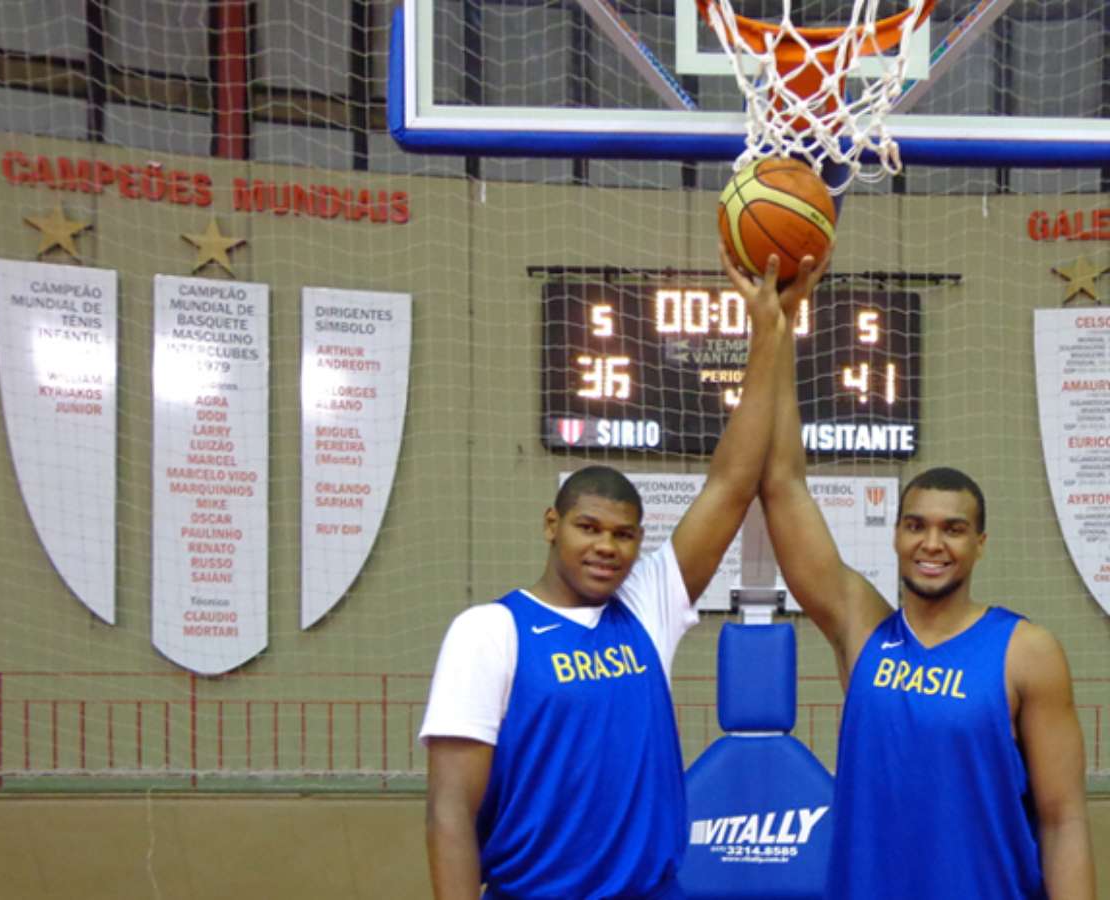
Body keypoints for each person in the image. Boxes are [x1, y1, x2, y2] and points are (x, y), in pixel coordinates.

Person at [419, 250, 829, 900]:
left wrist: (770, 330)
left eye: (624, 535)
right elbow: (448, 811)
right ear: (552, 524)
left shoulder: (645, 609)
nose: (606, 547)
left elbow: (731, 482)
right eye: (589, 528)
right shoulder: (491, 632)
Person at [732, 245, 1097, 898]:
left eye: (953, 529)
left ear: (979, 543)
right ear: (897, 536)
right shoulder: (862, 630)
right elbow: (782, 485)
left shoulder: (1026, 653)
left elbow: (1064, 819)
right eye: (917, 525)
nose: (934, 543)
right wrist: (779, 331)